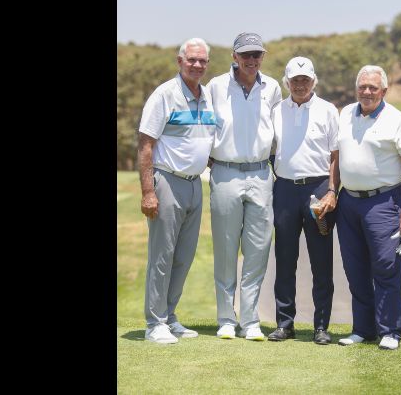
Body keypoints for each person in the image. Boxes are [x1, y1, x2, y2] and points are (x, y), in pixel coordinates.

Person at [335, 65, 401, 350]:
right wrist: (331, 193)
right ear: (356, 88)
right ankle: (363, 329)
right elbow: (336, 158)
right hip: (349, 201)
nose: (367, 92)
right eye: (363, 86)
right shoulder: (346, 113)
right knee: (354, 268)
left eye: (373, 87)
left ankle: (390, 331)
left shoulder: (397, 120)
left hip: (384, 201)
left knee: (386, 266)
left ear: (384, 91)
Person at [137, 37, 217, 344]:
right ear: (179, 61)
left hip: (196, 184)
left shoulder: (207, 96)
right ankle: (154, 323)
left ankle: (169, 317)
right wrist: (148, 192)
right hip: (167, 182)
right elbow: (146, 144)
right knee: (162, 256)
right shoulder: (165, 95)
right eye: (192, 60)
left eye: (202, 61)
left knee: (183, 256)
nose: (197, 65)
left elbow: (204, 140)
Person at [207, 32, 282, 341]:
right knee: (226, 250)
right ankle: (226, 318)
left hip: (261, 174)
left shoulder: (273, 87)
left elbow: (277, 132)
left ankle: (250, 321)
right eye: (246, 55)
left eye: (257, 54)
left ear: (262, 56)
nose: (252, 60)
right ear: (234, 56)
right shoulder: (215, 86)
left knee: (257, 250)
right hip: (225, 172)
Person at [267, 56, 340, 345]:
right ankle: (285, 323)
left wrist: (333, 190)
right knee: (285, 260)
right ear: (287, 82)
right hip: (284, 189)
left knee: (321, 261)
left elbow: (335, 154)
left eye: (305, 80)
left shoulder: (327, 110)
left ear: (314, 81)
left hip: (319, 189)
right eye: (295, 80)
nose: (300, 85)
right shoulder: (276, 110)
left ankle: (321, 325)